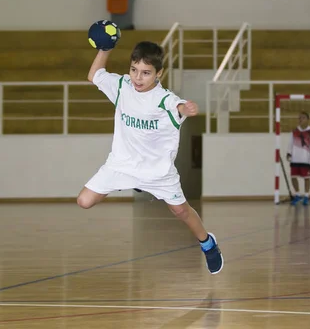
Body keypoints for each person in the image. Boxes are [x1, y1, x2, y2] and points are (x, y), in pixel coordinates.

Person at [77, 41, 224, 274]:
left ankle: (208, 243)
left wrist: (187, 108)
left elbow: (178, 106)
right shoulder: (122, 86)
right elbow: (94, 75)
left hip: (158, 171)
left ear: (159, 74)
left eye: (146, 73)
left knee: (181, 211)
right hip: (122, 164)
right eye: (134, 70)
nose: (138, 77)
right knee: (84, 201)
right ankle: (133, 183)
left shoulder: (163, 98)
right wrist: (105, 49)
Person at [287, 111, 310, 206]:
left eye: (303, 117)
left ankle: (306, 196)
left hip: (306, 159)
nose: (300, 119)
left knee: (307, 178)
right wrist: (289, 153)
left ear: (308, 120)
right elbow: (290, 143)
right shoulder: (294, 131)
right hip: (295, 158)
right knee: (293, 177)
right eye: (299, 117)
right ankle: (297, 195)